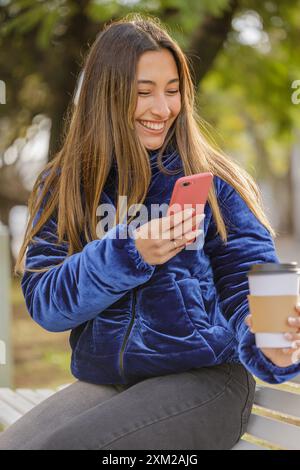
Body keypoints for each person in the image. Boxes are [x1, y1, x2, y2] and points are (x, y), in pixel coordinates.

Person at [1, 14, 300, 451]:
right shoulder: (66, 185)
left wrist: (271, 346)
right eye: (143, 93)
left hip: (204, 383)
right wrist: (127, 253)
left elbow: (248, 287)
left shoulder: (215, 183)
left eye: (173, 90)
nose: (162, 109)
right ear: (106, 96)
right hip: (111, 383)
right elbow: (46, 303)